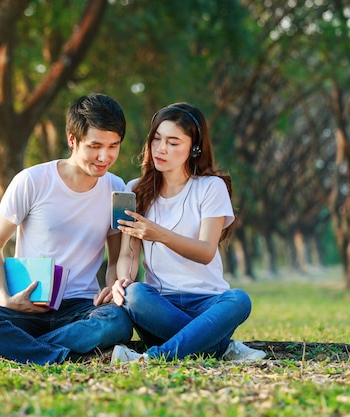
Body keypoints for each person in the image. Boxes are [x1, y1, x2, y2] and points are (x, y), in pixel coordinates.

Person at [0, 93, 133, 365]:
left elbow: (117, 258)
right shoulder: (32, 180)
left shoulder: (117, 189)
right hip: (30, 304)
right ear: (72, 140)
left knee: (117, 322)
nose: (104, 156)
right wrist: (5, 298)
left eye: (113, 146)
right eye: (95, 146)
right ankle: (66, 355)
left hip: (81, 308)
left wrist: (112, 288)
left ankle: (25, 351)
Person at [109, 103, 266, 364]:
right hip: (160, 306)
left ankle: (155, 357)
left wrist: (159, 233)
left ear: (194, 147)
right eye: (156, 139)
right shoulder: (135, 189)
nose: (161, 149)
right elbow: (128, 252)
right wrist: (122, 279)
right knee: (135, 294)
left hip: (208, 304)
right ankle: (218, 346)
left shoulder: (210, 187)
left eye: (173, 142)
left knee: (239, 299)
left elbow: (205, 252)